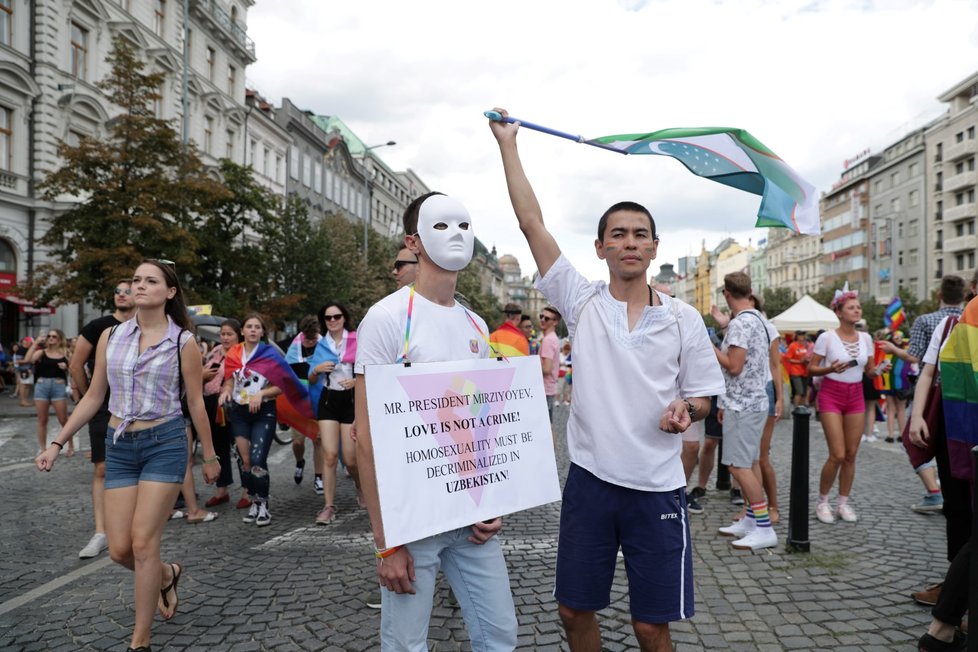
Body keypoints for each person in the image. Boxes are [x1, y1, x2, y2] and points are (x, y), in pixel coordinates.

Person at [491, 108, 723, 652]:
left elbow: (705, 396)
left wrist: (686, 411)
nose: (630, 242)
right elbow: (532, 225)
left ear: (655, 247)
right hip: (592, 482)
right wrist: (508, 145)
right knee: (573, 611)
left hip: (657, 487)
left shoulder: (684, 318)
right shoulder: (582, 301)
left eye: (640, 235)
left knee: (650, 626)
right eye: (617, 235)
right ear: (600, 248)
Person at [355, 191, 518, 650]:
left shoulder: (475, 324)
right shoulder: (386, 319)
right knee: (406, 644)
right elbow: (366, 438)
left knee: (499, 634)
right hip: (413, 519)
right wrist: (387, 543)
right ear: (415, 241)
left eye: (464, 226)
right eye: (443, 226)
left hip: (470, 517)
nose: (457, 235)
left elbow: (481, 423)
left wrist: (491, 500)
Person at [36, 259, 220, 652]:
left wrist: (209, 455)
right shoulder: (111, 337)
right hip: (121, 446)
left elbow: (195, 402)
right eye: (136, 279)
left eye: (150, 281)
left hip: (165, 443)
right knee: (118, 548)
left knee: (141, 543)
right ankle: (167, 573)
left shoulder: (182, 343)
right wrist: (57, 441)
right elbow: (93, 397)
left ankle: (140, 641)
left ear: (169, 292)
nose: (139, 285)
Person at [69, 279, 137, 558]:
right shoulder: (98, 327)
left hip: (137, 406)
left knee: (137, 466)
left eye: (127, 291)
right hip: (105, 407)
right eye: (117, 291)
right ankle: (101, 532)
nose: (121, 295)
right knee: (102, 468)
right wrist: (89, 398)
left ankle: (131, 525)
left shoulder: (146, 325)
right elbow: (76, 364)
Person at [711, 275, 777, 550]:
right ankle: (751, 520)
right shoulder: (760, 320)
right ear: (749, 292)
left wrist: (709, 346)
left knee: (738, 465)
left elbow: (733, 366)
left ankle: (763, 526)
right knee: (748, 462)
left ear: (727, 294)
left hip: (743, 403)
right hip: (752, 401)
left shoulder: (740, 324)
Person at [809, 287, 880, 524]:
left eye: (858, 306)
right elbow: (811, 368)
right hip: (831, 393)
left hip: (856, 394)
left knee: (851, 454)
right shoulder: (827, 337)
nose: (857, 309)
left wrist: (878, 370)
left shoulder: (866, 339)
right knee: (837, 454)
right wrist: (830, 368)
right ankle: (822, 502)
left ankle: (843, 503)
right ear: (838, 312)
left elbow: (868, 371)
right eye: (851, 307)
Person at [219, 314, 291, 527]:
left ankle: (264, 504)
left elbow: (282, 386)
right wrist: (226, 392)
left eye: (256, 327)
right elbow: (229, 383)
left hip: (264, 411)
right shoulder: (233, 353)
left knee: (258, 458)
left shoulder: (269, 354)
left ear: (262, 332)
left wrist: (262, 394)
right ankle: (253, 500)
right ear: (242, 331)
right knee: (246, 461)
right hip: (239, 413)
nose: (252, 330)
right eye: (248, 326)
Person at [309, 302, 359, 525]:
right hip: (328, 400)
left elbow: (372, 369)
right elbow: (311, 378)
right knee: (329, 455)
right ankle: (328, 506)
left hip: (350, 401)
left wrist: (357, 380)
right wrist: (317, 370)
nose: (332, 321)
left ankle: (360, 485)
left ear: (344, 317)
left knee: (350, 459)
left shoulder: (357, 340)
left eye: (336, 316)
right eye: (328, 318)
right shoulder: (322, 345)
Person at [201, 318, 247, 508]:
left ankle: (248, 489)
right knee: (219, 448)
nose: (225, 338)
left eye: (229, 334)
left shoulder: (243, 353)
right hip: (213, 403)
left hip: (235, 403)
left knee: (240, 448)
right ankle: (222, 489)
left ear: (238, 335)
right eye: (222, 334)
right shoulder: (215, 351)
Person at [285, 315, 325, 495]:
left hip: (318, 397)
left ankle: (319, 476)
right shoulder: (295, 347)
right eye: (307, 339)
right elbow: (286, 374)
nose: (310, 342)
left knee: (318, 439)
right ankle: (300, 461)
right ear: (302, 335)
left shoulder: (324, 345)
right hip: (300, 400)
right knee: (297, 441)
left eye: (313, 338)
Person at [25, 329, 73, 456]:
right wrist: (35, 343)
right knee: (42, 420)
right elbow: (28, 360)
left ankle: (71, 446)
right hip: (42, 386)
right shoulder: (41, 353)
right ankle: (42, 449)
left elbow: (74, 369)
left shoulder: (66, 353)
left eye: (54, 336)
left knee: (63, 419)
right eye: (49, 336)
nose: (51, 338)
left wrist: (66, 368)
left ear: (59, 339)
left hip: (58, 386)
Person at [538, 306, 561, 420]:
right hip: (549, 388)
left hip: (545, 389)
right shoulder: (552, 338)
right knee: (548, 426)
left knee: (545, 429)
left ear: (555, 322)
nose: (542, 320)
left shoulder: (548, 340)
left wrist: (530, 368)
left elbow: (546, 369)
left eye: (547, 318)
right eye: (541, 316)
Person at [784, 332, 811, 407]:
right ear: (797, 336)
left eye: (803, 335)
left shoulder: (807, 345)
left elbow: (811, 355)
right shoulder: (793, 345)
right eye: (800, 335)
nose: (801, 336)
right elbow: (788, 359)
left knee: (804, 392)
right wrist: (799, 361)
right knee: (799, 391)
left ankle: (802, 410)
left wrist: (808, 360)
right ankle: (796, 409)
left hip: (805, 371)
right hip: (796, 371)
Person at [13, 336, 34, 407]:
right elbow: (18, 361)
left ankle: (25, 400)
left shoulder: (27, 349)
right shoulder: (21, 350)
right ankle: (23, 400)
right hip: (24, 370)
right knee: (23, 385)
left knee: (27, 385)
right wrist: (28, 361)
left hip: (28, 369)